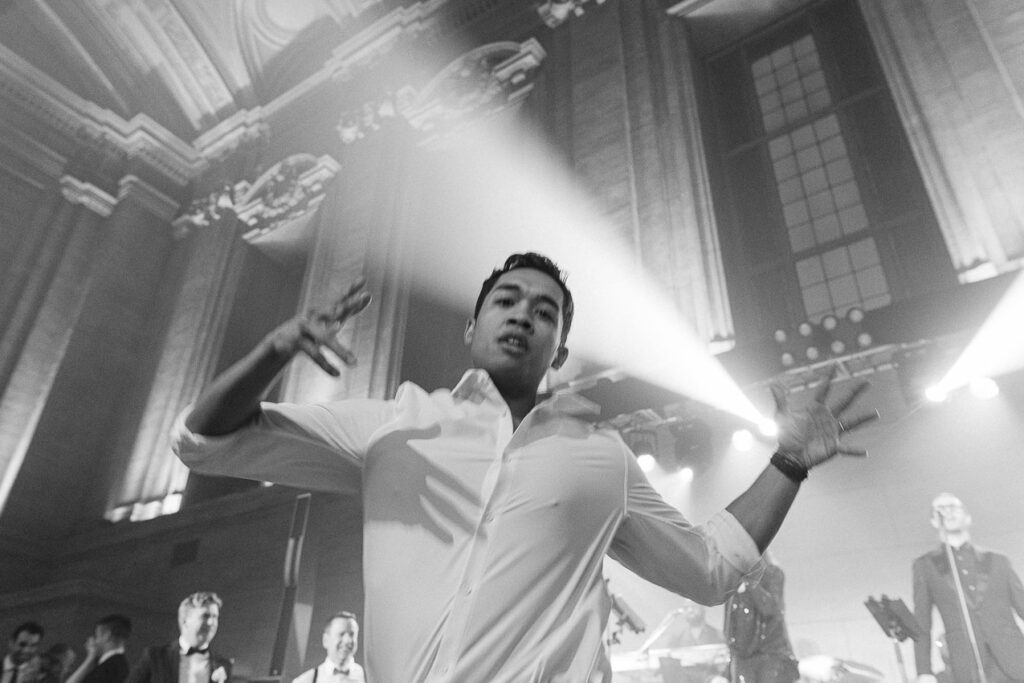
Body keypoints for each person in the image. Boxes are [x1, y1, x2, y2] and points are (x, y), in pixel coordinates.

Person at [173, 252, 876, 681]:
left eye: (545, 312)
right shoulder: (396, 423)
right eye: (506, 301)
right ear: (472, 327)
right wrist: (273, 350)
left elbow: (709, 570)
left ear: (560, 350)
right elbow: (204, 441)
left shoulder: (600, 456)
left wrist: (787, 461)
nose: (522, 316)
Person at [913, 493, 1024, 683]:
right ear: (933, 520)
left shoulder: (998, 560)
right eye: (941, 509)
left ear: (967, 517)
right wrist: (924, 670)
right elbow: (922, 622)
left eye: (953, 507)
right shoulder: (925, 565)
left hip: (1014, 659)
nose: (947, 512)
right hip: (966, 662)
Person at [723, 552, 799, 683]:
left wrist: (749, 583)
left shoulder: (773, 574)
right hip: (742, 656)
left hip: (770, 653)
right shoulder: (732, 582)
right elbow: (730, 623)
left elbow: (771, 608)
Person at [125, 593, 231, 683]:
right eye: (205, 616)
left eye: (215, 617)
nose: (211, 623)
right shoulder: (156, 657)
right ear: (185, 621)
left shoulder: (223, 664)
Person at [291, 612, 363, 683]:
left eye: (352, 634)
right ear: (325, 640)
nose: (348, 640)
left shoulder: (367, 677)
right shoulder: (305, 681)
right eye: (341, 634)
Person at [66, 615, 132, 683]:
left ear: (107, 635)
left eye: (96, 636)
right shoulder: (123, 667)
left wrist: (90, 658)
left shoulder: (107, 669)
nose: (94, 641)